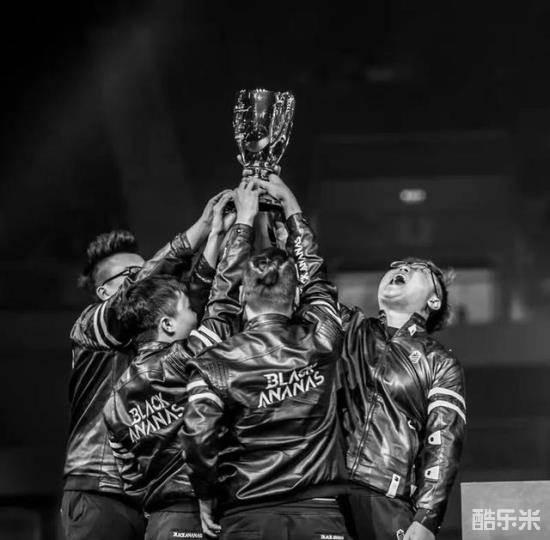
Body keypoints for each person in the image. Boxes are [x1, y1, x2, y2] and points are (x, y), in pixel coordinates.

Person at [182, 175, 351, 540]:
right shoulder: (323, 339)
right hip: (320, 515)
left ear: (244, 296)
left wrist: (205, 493)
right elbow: (317, 283)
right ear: (295, 299)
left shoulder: (215, 360)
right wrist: (292, 210)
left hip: (248, 515)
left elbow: (198, 435)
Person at [61, 189, 231, 540]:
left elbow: (187, 301)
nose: (145, 277)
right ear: (104, 291)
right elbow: (142, 289)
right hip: (101, 487)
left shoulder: (159, 332)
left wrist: (215, 237)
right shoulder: (88, 327)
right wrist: (199, 229)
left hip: (154, 493)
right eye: (132, 274)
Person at [103, 182, 259, 540]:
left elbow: (130, 480)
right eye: (188, 308)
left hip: (160, 523)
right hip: (202, 516)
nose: (195, 313)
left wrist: (215, 236)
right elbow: (222, 306)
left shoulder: (114, 402)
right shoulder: (183, 358)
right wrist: (244, 225)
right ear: (168, 325)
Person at [338, 258, 466, 540]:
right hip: (326, 496)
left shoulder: (439, 361)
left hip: (388, 500)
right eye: (397, 266)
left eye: (417, 268)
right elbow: (309, 282)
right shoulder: (349, 328)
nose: (402, 268)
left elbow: (443, 441)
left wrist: (427, 517)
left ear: (433, 301)